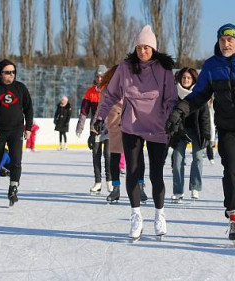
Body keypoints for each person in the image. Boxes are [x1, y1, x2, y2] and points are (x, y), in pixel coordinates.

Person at [166, 23, 235, 245]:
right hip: (227, 127)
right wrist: (179, 111)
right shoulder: (211, 66)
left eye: (230, 40)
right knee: (230, 171)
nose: (226, 44)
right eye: (222, 40)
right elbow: (198, 96)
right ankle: (234, 215)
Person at [95, 25, 177, 241]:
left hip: (158, 127)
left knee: (156, 173)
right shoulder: (125, 67)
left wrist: (170, 119)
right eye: (139, 47)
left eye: (147, 47)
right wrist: (100, 117)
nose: (143, 51)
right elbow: (111, 94)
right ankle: (136, 215)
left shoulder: (164, 70)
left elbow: (171, 99)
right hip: (132, 125)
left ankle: (159, 214)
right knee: (132, 170)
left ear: (154, 48)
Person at [0, 59, 33, 207]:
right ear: (0, 73)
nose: (11, 75)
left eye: (13, 72)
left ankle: (13, 188)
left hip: (16, 130)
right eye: (7, 72)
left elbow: (28, 109)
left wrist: (28, 128)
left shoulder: (20, 88)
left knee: (16, 161)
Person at [93, 65, 147, 203]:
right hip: (115, 125)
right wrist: (94, 128)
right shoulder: (106, 90)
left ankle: (140, 187)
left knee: (137, 157)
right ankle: (115, 189)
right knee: (114, 158)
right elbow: (100, 108)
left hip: (134, 125)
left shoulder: (134, 86)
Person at [171, 67, 210, 202]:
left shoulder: (199, 93)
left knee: (198, 158)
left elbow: (205, 115)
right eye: (183, 78)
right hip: (179, 130)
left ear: (193, 79)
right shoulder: (174, 94)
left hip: (197, 130)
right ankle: (178, 191)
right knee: (177, 161)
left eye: (188, 78)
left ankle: (195, 187)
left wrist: (206, 134)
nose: (186, 80)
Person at [76, 65, 112, 194]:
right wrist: (80, 127)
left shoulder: (110, 90)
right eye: (98, 76)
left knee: (108, 155)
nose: (100, 78)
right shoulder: (90, 92)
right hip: (95, 128)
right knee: (96, 155)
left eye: (102, 76)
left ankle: (109, 181)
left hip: (109, 128)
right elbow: (84, 111)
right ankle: (98, 182)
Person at [205, 97, 216, 165]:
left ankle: (211, 157)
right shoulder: (205, 107)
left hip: (213, 127)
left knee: (210, 144)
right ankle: (210, 157)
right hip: (206, 127)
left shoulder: (213, 108)